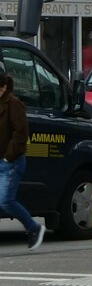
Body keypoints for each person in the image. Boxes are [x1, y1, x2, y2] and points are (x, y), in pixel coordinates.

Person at [0, 65, 45, 251]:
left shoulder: (13, 104)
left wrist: (8, 156)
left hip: (10, 162)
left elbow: (21, 133)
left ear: (3, 87)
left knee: (6, 201)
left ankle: (34, 228)